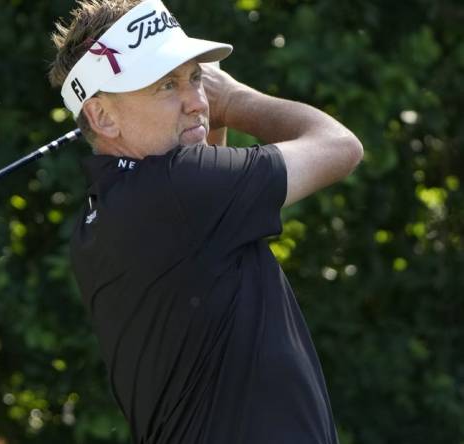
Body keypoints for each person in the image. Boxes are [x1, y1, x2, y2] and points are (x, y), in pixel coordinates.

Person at [47, 0, 363, 443]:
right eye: (165, 85)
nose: (197, 102)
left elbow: (212, 228)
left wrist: (204, 119)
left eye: (197, 78)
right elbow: (340, 146)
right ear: (102, 116)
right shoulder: (183, 191)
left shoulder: (97, 222)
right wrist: (233, 99)